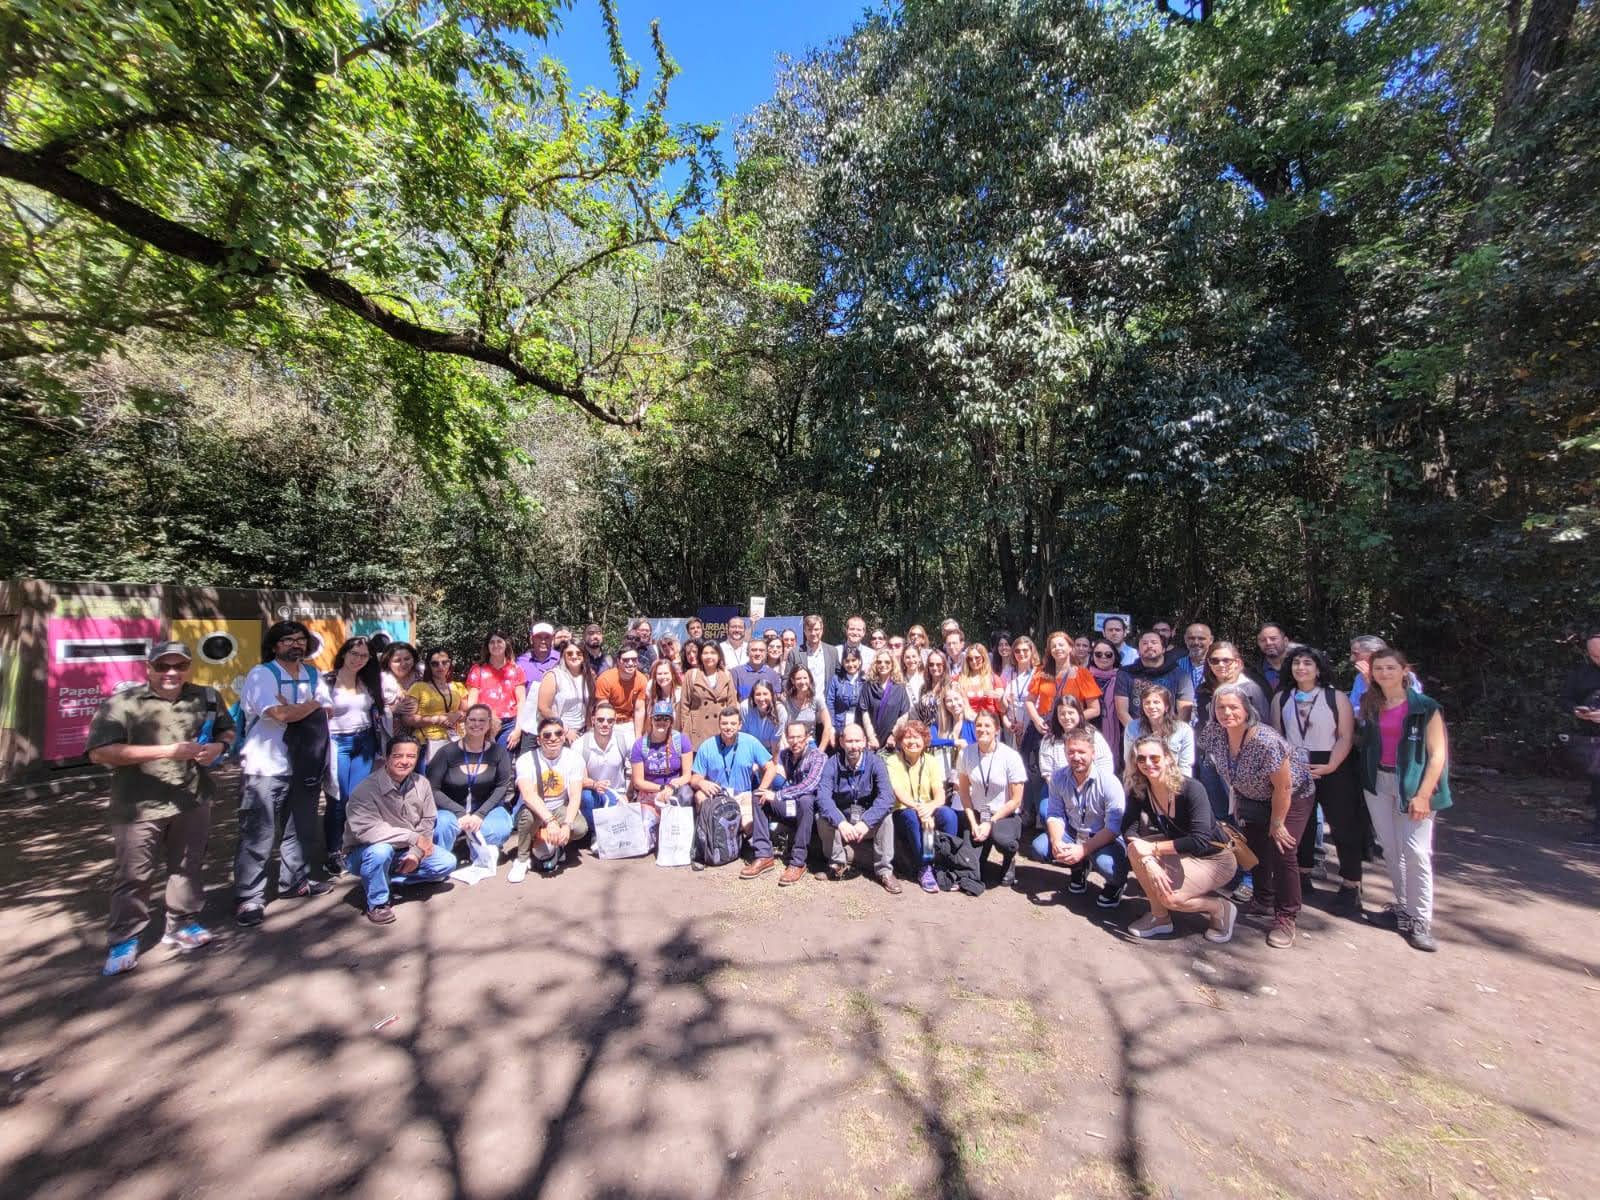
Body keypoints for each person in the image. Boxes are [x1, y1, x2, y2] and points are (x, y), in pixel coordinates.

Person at [89, 641, 235, 975]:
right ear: (149, 667)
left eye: (179, 666)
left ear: (188, 667)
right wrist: (166, 752)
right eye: (163, 666)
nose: (171, 673)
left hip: (193, 798)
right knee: (134, 874)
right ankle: (124, 938)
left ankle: (182, 923)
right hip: (139, 804)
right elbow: (100, 752)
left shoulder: (205, 696)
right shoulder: (124, 702)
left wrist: (218, 746)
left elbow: (227, 729)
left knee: (187, 865)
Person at [1198, 682, 1316, 949]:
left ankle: (1286, 915)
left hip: (1291, 796)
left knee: (1283, 849)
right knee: (1255, 849)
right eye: (1221, 707)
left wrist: (1277, 822)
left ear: (1246, 709)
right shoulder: (1214, 733)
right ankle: (1263, 899)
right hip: (1251, 798)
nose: (1227, 712)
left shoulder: (1265, 740)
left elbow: (1283, 787)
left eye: (1233, 707)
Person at [234, 621, 334, 929]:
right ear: (275, 645)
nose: (296, 645)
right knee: (258, 833)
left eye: (301, 640)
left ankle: (295, 882)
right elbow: (277, 714)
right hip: (265, 766)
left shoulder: (313, 673)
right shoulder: (262, 674)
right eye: (288, 640)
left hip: (304, 764)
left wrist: (300, 707)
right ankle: (249, 896)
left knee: (300, 829)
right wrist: (309, 706)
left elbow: (326, 710)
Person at [1358, 649, 1451, 952]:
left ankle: (1421, 920)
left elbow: (1438, 754)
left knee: (1416, 852)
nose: (1384, 674)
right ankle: (1404, 910)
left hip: (1413, 784)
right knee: (1391, 848)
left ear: (1404, 670)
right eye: (1378, 669)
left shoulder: (1425, 707)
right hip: (1378, 783)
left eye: (1390, 668)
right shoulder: (1371, 704)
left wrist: (1424, 795)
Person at [1272, 646, 1365, 916]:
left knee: (1343, 823)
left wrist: (1331, 765)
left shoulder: (1336, 697)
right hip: (1295, 765)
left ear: (1319, 668)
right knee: (1301, 824)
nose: (1301, 668)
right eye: (1296, 663)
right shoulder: (1282, 698)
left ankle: (1351, 884)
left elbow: (1346, 735)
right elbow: (1278, 736)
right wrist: (1287, 767)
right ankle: (1302, 875)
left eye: (1307, 663)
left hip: (1334, 763)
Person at [1123, 735, 1238, 942]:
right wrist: (1149, 861)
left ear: (1168, 758)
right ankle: (1160, 918)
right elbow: (1129, 830)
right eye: (1141, 759)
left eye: (1155, 758)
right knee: (1134, 849)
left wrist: (1153, 849)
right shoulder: (1140, 790)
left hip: (1214, 858)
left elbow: (1200, 840)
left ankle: (1220, 908)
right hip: (1180, 851)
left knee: (1171, 898)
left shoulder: (1192, 789)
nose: (1148, 764)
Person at [343, 737, 457, 924]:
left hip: (404, 849)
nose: (405, 761)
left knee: (446, 864)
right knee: (381, 851)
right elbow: (367, 831)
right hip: (365, 851)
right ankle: (378, 902)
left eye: (411, 756)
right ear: (387, 758)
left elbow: (427, 821)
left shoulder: (421, 783)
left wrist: (415, 854)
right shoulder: (364, 790)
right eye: (398, 755)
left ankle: (386, 879)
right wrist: (413, 838)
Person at [1031, 726, 1128, 908]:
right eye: (1071, 752)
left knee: (1108, 866)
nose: (1076, 757)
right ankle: (1079, 867)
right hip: (1073, 831)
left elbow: (1113, 828)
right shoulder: (1059, 777)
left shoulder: (1109, 782)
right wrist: (1057, 840)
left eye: (1081, 752)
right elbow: (1055, 813)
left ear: (1093, 752)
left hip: (1103, 837)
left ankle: (1116, 884)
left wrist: (1083, 850)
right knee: (1040, 847)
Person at [426, 704, 516, 863]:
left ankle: (472, 844)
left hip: (485, 810)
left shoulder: (498, 752)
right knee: (443, 826)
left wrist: (480, 814)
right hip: (451, 810)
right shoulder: (446, 753)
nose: (476, 724)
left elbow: (502, 786)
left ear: (489, 724)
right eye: (472, 720)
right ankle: (442, 860)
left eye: (482, 720)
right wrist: (459, 812)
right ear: (464, 723)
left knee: (501, 830)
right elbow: (433, 788)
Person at [815, 723, 899, 891]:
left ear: (864, 742)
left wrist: (866, 822)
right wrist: (840, 822)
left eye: (857, 741)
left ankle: (884, 871)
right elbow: (822, 797)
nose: (853, 746)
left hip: (867, 823)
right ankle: (837, 864)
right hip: (844, 823)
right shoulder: (832, 763)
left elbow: (887, 797)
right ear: (841, 742)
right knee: (822, 817)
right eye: (849, 741)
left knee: (887, 818)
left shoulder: (876, 763)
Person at [325, 636, 382, 872]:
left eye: (364, 655)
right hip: (337, 742)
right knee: (338, 797)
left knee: (357, 797)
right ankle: (333, 850)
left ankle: (353, 844)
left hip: (364, 741)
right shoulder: (326, 681)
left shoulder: (367, 681)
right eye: (354, 653)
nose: (358, 659)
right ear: (344, 653)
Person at [510, 717, 588, 881]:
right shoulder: (526, 760)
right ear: (539, 740)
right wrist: (551, 821)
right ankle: (522, 859)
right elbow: (528, 795)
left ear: (563, 737)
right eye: (547, 735)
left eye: (558, 733)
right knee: (526, 817)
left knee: (579, 828)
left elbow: (575, 796)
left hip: (559, 806)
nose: (553, 738)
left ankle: (557, 845)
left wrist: (566, 825)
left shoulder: (574, 758)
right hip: (536, 808)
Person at [887, 719, 959, 893]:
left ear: (925, 740)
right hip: (904, 811)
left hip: (928, 809)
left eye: (917, 737)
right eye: (907, 738)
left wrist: (931, 807)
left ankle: (944, 864)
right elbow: (898, 792)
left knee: (949, 815)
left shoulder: (931, 761)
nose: (912, 742)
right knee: (911, 816)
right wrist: (921, 810)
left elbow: (940, 793)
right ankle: (925, 867)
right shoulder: (893, 761)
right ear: (900, 741)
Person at [957, 710, 1026, 886]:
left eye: (987, 725)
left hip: (1003, 814)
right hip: (979, 812)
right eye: (978, 725)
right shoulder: (967, 754)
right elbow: (964, 793)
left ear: (997, 729)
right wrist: (974, 823)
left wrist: (990, 821)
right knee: (969, 868)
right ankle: (982, 848)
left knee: (1003, 841)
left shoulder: (1010, 756)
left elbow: (1016, 800)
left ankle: (1009, 859)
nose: (982, 729)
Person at [763, 719, 825, 885]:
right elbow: (775, 770)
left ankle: (798, 862)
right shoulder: (785, 755)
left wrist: (778, 795)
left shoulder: (818, 756)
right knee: (759, 796)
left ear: (808, 737)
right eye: (791, 737)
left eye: (799, 737)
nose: (795, 741)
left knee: (806, 800)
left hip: (812, 809)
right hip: (792, 805)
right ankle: (763, 854)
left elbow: (810, 785)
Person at [1563, 630, 1600, 845]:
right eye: (1594, 655)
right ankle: (1597, 830)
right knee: (1597, 784)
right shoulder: (1581, 673)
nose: (1598, 659)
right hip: (1592, 737)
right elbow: (1565, 699)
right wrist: (1577, 710)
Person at [1115, 631, 1196, 729]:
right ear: (1138, 651)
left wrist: (1170, 735)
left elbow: (1184, 712)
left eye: (1154, 642)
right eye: (1144, 643)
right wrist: (1137, 734)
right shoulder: (1125, 674)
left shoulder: (1180, 675)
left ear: (1163, 649)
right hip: (1136, 734)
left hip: (1170, 734)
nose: (1149, 646)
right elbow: (1122, 712)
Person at [575, 700, 633, 828]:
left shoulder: (624, 740)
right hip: (592, 792)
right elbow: (576, 780)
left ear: (615, 721)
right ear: (593, 720)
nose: (605, 724)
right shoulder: (580, 745)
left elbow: (636, 768)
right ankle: (594, 832)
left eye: (610, 721)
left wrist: (627, 795)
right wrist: (594, 785)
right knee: (586, 797)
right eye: (600, 720)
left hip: (616, 793)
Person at [406, 647, 466, 768]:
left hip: (455, 740)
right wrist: (435, 719)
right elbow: (407, 719)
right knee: (429, 783)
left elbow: (468, 712)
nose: (441, 666)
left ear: (450, 662)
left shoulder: (458, 687)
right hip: (427, 742)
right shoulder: (418, 687)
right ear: (429, 666)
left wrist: (458, 715)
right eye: (435, 663)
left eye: (445, 662)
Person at [466, 631, 526, 749]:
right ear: (487, 647)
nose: (496, 645)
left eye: (499, 641)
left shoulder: (516, 670)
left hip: (509, 725)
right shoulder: (478, 670)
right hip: (483, 724)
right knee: (484, 763)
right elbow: (471, 703)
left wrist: (518, 730)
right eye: (492, 642)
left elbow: (521, 702)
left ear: (506, 645)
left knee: (504, 763)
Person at [631, 701, 696, 808]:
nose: (662, 722)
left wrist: (672, 787)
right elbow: (638, 782)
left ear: (671, 722)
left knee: (686, 794)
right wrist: (661, 788)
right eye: (657, 718)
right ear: (651, 720)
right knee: (646, 819)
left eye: (666, 718)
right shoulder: (640, 745)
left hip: (674, 789)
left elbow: (687, 775)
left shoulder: (681, 740)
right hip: (650, 790)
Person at [1121, 685, 1195, 777]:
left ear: (1166, 706)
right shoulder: (1132, 728)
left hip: (1172, 780)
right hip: (1142, 780)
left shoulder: (1183, 730)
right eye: (1147, 703)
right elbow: (1129, 762)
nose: (1151, 706)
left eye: (1156, 702)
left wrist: (1183, 789)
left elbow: (1185, 766)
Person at [1039, 694, 1116, 782]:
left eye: (1071, 713)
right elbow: (1047, 772)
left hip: (1092, 787)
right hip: (1058, 787)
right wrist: (1060, 790)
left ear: (1079, 713)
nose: (1067, 717)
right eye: (1062, 714)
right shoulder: (1049, 739)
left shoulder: (1093, 735)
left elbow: (1105, 765)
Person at [678, 640, 736, 748]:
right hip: (696, 730)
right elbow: (684, 705)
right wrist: (686, 728)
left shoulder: (727, 675)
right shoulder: (691, 674)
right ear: (700, 656)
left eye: (713, 653)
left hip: (720, 729)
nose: (709, 656)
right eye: (705, 653)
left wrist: (731, 727)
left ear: (719, 656)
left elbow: (732, 704)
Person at [536, 638, 594, 745]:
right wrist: (565, 730)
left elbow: (589, 706)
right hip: (558, 733)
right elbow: (543, 708)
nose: (574, 656)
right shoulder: (553, 675)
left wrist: (590, 729)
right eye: (570, 653)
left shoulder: (589, 676)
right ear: (563, 655)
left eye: (579, 653)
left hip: (582, 732)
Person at [1348, 634, 1423, 708]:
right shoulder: (1360, 678)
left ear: (1373, 653)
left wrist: (1371, 682)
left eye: (1356, 654)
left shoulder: (1404, 676)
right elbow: (1353, 708)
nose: (1352, 659)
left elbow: (1406, 706)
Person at [1086, 637, 1125, 772]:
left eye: (1108, 654)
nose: (1103, 657)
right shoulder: (1084, 676)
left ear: (1115, 656)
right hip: (1089, 728)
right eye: (1098, 654)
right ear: (1092, 656)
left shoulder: (1124, 677)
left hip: (1117, 730)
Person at [860, 648, 909, 752]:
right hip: (871, 743)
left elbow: (904, 714)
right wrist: (871, 737)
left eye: (887, 662)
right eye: (879, 662)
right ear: (875, 664)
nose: (883, 665)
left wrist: (893, 735)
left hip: (891, 743)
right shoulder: (868, 686)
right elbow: (864, 713)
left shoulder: (899, 687)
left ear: (892, 665)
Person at [596, 646, 649, 735]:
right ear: (618, 661)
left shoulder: (642, 679)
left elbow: (639, 710)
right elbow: (603, 710)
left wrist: (638, 736)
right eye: (625, 660)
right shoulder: (605, 679)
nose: (630, 663)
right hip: (610, 723)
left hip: (630, 724)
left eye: (634, 659)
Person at [784, 664, 833, 753]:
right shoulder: (786, 700)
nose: (802, 682)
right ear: (792, 681)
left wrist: (820, 751)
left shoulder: (817, 699)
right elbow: (781, 727)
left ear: (810, 679)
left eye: (805, 678)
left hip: (809, 742)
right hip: (790, 743)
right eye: (798, 679)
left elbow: (828, 725)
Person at [380, 642, 420, 745]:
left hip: (420, 736)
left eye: (407, 659)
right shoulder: (380, 681)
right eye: (397, 660)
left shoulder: (422, 678)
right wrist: (392, 709)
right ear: (388, 662)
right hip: (389, 739)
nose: (403, 664)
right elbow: (369, 711)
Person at [956, 643, 1004, 725]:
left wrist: (999, 697)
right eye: (970, 659)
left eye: (977, 658)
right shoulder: (959, 678)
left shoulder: (994, 679)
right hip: (967, 724)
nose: (974, 662)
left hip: (989, 724)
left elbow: (1002, 709)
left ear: (984, 658)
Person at [825, 646, 867, 738]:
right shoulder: (836, 679)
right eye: (847, 661)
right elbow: (830, 702)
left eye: (854, 660)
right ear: (843, 663)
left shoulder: (865, 681)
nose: (850, 664)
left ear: (859, 661)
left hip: (859, 724)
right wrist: (831, 726)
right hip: (839, 725)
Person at [742, 680, 788, 755]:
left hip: (772, 748)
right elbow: (744, 736)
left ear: (772, 695)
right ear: (753, 696)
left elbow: (775, 741)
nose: (761, 698)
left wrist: (774, 764)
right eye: (758, 694)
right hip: (751, 749)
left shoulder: (780, 711)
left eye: (765, 694)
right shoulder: (745, 707)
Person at [732, 636, 783, 702]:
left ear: (766, 653)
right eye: (754, 650)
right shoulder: (736, 673)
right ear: (747, 652)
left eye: (761, 650)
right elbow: (732, 700)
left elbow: (776, 699)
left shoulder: (773, 674)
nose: (757, 653)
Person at [1176, 623, 1214, 708]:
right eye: (1191, 638)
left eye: (1201, 638)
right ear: (1185, 639)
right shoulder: (1176, 666)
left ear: (1211, 640)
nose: (1196, 642)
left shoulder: (1217, 667)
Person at [515, 621, 560, 689]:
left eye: (547, 637)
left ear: (552, 639)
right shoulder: (521, 662)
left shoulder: (561, 659)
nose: (543, 641)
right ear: (531, 639)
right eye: (539, 637)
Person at [801, 614, 840, 687]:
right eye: (809, 629)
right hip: (802, 698)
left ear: (822, 630)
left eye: (816, 629)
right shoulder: (795, 653)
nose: (813, 633)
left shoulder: (832, 651)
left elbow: (839, 676)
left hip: (826, 698)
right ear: (804, 631)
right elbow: (787, 679)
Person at [1256, 622, 1294, 691]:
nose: (1268, 643)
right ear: (1259, 644)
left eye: (1273, 639)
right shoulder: (1252, 673)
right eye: (1263, 640)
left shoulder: (1298, 668)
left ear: (1285, 641)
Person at [900, 643, 928, 708]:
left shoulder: (927, 677)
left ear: (919, 658)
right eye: (907, 657)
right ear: (903, 659)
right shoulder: (900, 679)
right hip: (906, 716)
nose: (911, 660)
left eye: (914, 656)